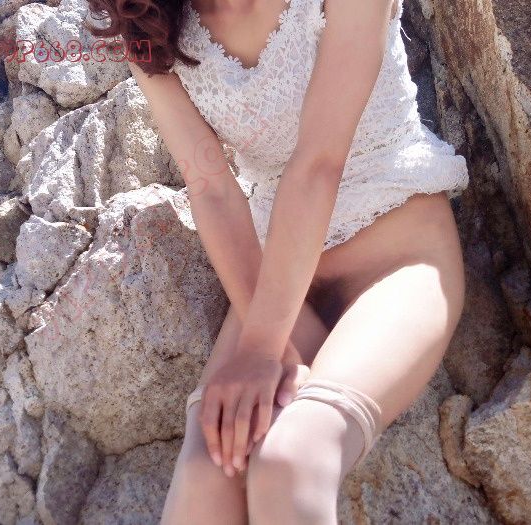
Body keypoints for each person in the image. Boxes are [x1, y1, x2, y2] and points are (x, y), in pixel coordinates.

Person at [87, 0, 469, 522]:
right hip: (280, 278)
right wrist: (270, 339)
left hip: (399, 256)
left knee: (290, 459)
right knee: (207, 474)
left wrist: (262, 346)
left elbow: (319, 161)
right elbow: (211, 186)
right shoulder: (144, 18)